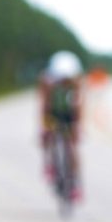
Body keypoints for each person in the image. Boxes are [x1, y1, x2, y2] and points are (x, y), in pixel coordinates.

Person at [39, 50, 84, 200]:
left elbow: (80, 106)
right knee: (47, 135)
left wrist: (78, 127)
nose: (64, 81)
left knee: (72, 145)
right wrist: (44, 126)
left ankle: (75, 182)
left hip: (69, 113)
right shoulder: (47, 80)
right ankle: (50, 163)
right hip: (53, 111)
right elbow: (44, 104)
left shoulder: (76, 81)